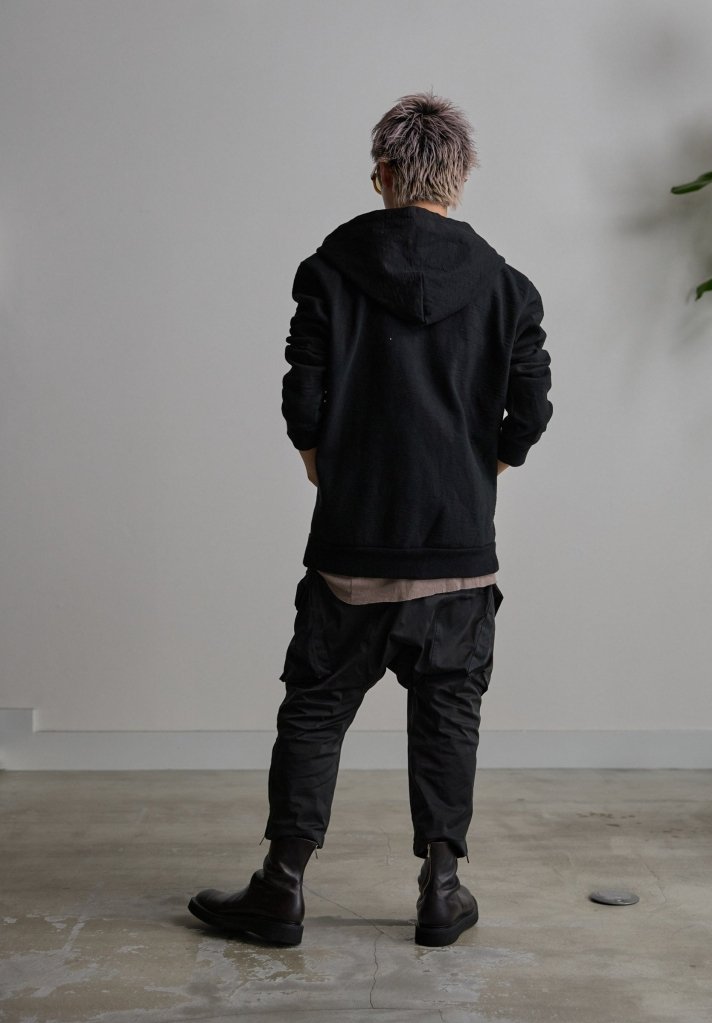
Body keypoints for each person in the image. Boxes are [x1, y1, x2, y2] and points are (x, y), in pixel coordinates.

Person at [188, 90, 553, 948]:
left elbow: (304, 393)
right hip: (458, 552)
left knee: (315, 710)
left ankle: (281, 888)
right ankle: (441, 891)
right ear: (460, 177)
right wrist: (486, 467)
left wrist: (322, 461)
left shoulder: (329, 269)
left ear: (383, 174)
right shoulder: (508, 287)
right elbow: (530, 408)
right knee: (448, 716)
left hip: (351, 547)